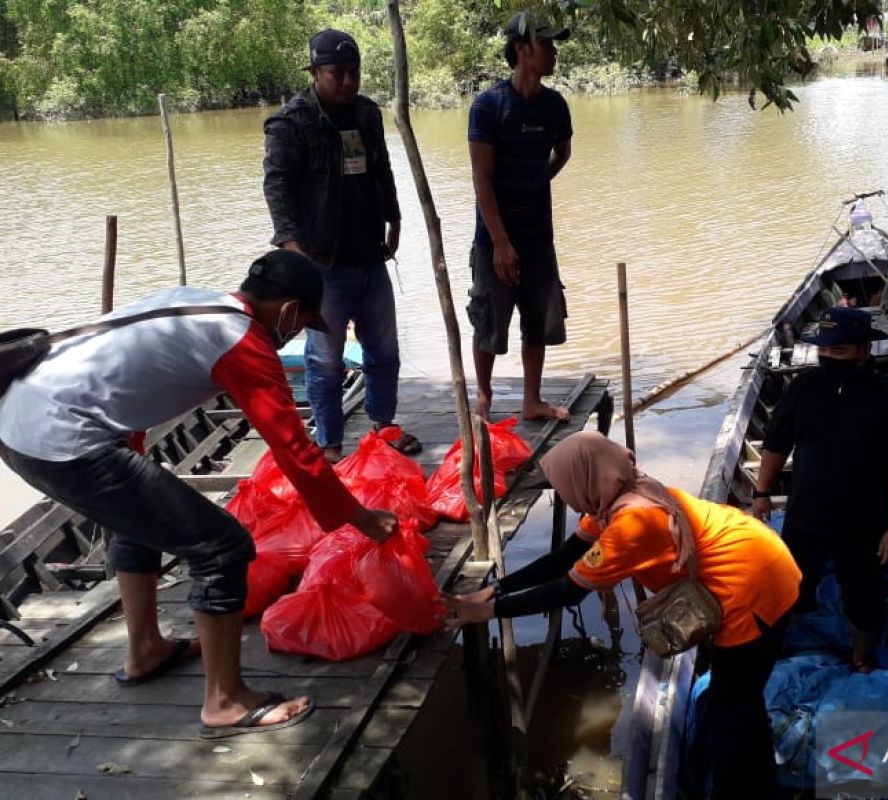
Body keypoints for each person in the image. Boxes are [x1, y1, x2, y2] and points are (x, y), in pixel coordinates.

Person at [0, 250, 398, 737]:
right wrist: (361, 519)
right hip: (61, 440)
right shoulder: (244, 342)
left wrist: (134, 454)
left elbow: (124, 377)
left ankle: (146, 650)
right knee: (223, 547)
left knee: (136, 519)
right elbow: (297, 452)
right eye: (303, 325)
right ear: (291, 311)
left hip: (19, 427)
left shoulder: (197, 301)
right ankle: (225, 702)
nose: (296, 336)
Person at [445, 431, 800, 798]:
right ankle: (753, 773)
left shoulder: (630, 524)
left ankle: (746, 788)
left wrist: (487, 611)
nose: (564, 495)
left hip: (757, 586)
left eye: (562, 484)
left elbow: (570, 589)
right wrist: (499, 587)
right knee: (740, 701)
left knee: (733, 712)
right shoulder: (620, 494)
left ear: (582, 478)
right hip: (757, 554)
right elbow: (564, 558)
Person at [263, 28, 421, 463]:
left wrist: (394, 215)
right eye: (338, 73)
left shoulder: (367, 114)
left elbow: (382, 168)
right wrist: (290, 247)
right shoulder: (291, 123)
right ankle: (330, 442)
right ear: (315, 72)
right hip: (320, 261)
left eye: (354, 72)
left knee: (384, 349)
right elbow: (277, 186)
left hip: (369, 253)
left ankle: (384, 425)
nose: (348, 81)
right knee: (325, 358)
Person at [751, 307, 888, 673]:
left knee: (864, 592)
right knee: (790, 582)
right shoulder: (803, 388)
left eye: (839, 351)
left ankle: (862, 654)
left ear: (864, 350)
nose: (828, 357)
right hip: (806, 514)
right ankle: (782, 640)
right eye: (823, 350)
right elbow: (776, 443)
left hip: (864, 519)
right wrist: (762, 492)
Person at [467, 12, 574, 422]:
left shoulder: (554, 105)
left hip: (537, 235)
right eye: (546, 44)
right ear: (522, 49)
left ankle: (532, 401)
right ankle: (483, 397)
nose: (554, 51)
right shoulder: (489, 106)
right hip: (495, 235)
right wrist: (499, 241)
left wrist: (535, 180)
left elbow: (562, 153)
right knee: (490, 319)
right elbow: (482, 177)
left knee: (537, 317)